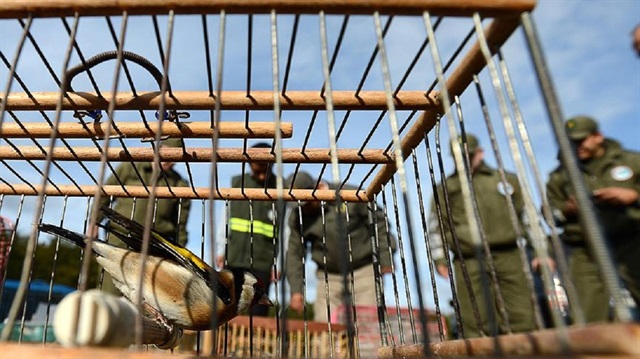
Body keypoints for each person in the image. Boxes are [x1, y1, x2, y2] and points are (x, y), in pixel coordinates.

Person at [428, 134, 536, 338]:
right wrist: (439, 258)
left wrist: (540, 250)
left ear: (480, 152)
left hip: (510, 255)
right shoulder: (445, 189)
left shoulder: (506, 180)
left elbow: (528, 215)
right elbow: (436, 227)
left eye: (469, 155)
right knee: (475, 320)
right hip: (468, 259)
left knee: (521, 314)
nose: (466, 160)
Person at [546, 116, 640, 322]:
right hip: (585, 250)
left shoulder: (632, 161)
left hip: (632, 240)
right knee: (587, 318)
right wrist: (567, 209)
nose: (577, 147)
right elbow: (549, 213)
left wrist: (633, 196)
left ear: (598, 136)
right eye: (572, 142)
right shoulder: (559, 176)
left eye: (582, 140)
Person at [285, 171, 396, 323]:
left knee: (368, 325)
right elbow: (294, 253)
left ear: (317, 187)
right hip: (328, 276)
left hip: (364, 271)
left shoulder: (351, 195)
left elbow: (380, 225)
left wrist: (385, 257)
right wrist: (296, 290)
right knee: (325, 327)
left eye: (306, 202)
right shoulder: (298, 215)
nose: (303, 208)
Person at [89, 138, 191, 295]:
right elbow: (104, 195)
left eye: (175, 159)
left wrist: (180, 252)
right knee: (110, 290)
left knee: (145, 296)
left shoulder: (180, 184)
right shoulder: (130, 168)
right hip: (120, 237)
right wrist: (94, 222)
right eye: (168, 156)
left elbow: (181, 223)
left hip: (155, 245)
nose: (171, 162)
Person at [215, 142, 278, 317]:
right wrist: (222, 249)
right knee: (226, 306)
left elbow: (285, 231)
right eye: (257, 168)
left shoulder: (279, 188)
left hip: (263, 261)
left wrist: (278, 263)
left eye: (265, 169)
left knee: (257, 311)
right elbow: (224, 219)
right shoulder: (237, 184)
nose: (261, 174)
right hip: (234, 256)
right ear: (250, 164)